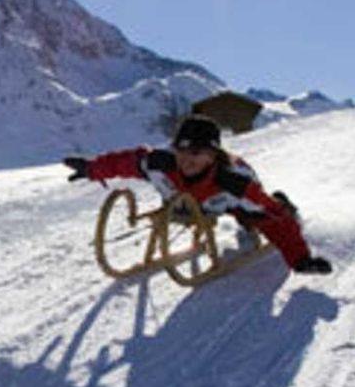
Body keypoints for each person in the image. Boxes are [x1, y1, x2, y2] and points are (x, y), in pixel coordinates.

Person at [63, 114, 334, 275]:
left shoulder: (235, 183)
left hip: (228, 200)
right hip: (187, 202)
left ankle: (283, 202)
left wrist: (300, 260)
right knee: (182, 206)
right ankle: (196, 210)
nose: (186, 159)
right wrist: (91, 169)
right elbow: (124, 162)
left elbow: (272, 217)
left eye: (196, 152)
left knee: (256, 218)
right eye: (181, 150)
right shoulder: (161, 163)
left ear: (212, 155)